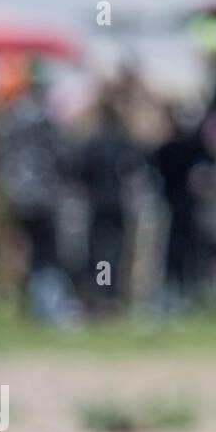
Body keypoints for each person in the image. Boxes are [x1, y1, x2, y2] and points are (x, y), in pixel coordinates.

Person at [0, 59, 78, 326]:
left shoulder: (10, 118)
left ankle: (30, 305)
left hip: (17, 195)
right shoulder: (44, 119)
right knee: (47, 252)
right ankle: (50, 307)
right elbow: (62, 157)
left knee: (24, 251)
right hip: (42, 197)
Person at [76, 96, 144, 315]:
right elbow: (134, 170)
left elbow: (79, 172)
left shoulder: (93, 144)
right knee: (114, 253)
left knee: (98, 254)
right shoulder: (123, 143)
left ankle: (99, 293)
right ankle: (109, 295)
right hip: (118, 204)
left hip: (98, 204)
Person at [149, 104, 212, 313]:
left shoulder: (174, 148)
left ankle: (184, 291)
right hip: (179, 207)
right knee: (182, 251)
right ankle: (182, 292)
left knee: (182, 251)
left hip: (178, 207)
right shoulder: (188, 147)